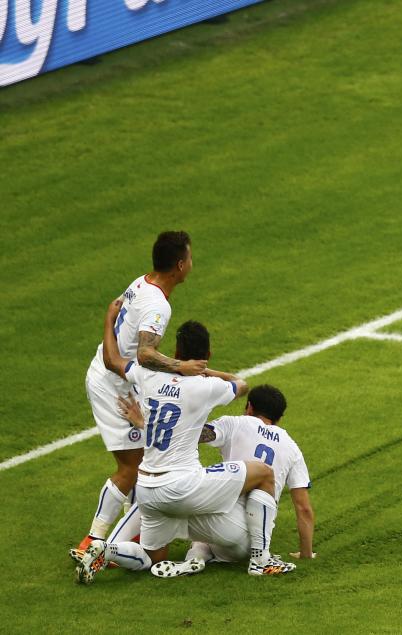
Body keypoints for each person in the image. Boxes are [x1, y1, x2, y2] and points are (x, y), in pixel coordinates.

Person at [75, 302, 296, 583]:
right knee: (263, 473)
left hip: (147, 489)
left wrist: (108, 320)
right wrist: (203, 371)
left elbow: (111, 360)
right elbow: (241, 385)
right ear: (206, 356)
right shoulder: (205, 387)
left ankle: (107, 548)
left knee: (153, 557)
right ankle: (260, 560)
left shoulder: (148, 374)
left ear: (176, 351)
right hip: (183, 486)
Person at [74, 231, 207, 560]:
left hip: (119, 378)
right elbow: (146, 353)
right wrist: (182, 366)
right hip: (115, 386)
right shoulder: (158, 305)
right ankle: (95, 542)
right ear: (179, 265)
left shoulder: (141, 283)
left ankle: (133, 537)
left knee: (145, 457)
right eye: (189, 258)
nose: (192, 263)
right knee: (132, 466)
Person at [141, 384, 315, 578]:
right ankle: (253, 558)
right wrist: (306, 553)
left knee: (162, 500)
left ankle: (192, 556)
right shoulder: (292, 448)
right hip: (251, 542)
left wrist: (151, 423)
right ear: (279, 418)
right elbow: (304, 508)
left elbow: (194, 436)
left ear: (249, 407)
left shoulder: (236, 423)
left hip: (220, 524)